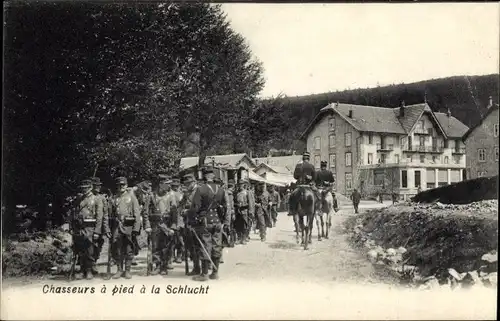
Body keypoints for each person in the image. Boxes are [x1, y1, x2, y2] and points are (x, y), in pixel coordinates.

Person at [189, 167, 228, 281]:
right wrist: (223, 220)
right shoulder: (221, 190)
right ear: (213, 176)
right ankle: (215, 273)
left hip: (205, 222)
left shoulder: (201, 189)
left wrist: (192, 220)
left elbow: (195, 207)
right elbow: (225, 206)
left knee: (205, 245)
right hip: (217, 221)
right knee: (217, 245)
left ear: (205, 177)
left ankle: (204, 274)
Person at [109, 177, 141, 279]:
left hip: (129, 227)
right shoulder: (114, 198)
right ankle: (119, 269)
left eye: (123, 185)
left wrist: (136, 228)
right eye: (119, 185)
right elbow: (111, 214)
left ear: (126, 186)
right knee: (117, 248)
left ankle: (127, 270)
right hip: (117, 227)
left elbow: (136, 213)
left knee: (128, 249)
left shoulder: (132, 197)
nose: (121, 187)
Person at [72, 179, 104, 280]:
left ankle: (89, 270)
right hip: (80, 228)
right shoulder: (79, 199)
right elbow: (75, 213)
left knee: (89, 250)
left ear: (90, 188)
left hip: (91, 228)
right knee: (81, 250)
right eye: (83, 188)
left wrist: (97, 231)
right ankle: (82, 270)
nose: (84, 190)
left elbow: (99, 217)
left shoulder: (96, 199)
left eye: (86, 188)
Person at [90, 177, 111, 275]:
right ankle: (87, 265)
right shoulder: (86, 197)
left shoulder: (102, 198)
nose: (98, 187)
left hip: (100, 225)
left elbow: (106, 214)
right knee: (87, 245)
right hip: (88, 225)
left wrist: (106, 229)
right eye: (96, 185)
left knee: (98, 244)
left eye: (99, 185)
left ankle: (94, 261)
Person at [182, 173, 201, 276]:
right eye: (186, 183)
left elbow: (198, 207)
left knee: (199, 246)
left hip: (198, 222)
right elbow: (181, 204)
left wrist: (187, 211)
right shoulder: (187, 193)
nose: (187, 185)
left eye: (189, 183)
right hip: (188, 222)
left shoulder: (199, 191)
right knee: (191, 246)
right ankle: (196, 267)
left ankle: (204, 268)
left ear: (194, 182)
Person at [289, 152, 317, 216]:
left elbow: (295, 176)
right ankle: (318, 209)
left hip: (299, 186)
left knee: (291, 196)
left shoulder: (298, 165)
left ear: (303, 158)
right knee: (318, 195)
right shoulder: (311, 166)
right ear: (309, 158)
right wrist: (310, 178)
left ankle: (291, 210)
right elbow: (315, 177)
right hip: (309, 186)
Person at [234, 180, 250, 244]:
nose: (240, 186)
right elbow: (234, 201)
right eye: (239, 184)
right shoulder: (237, 193)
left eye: (241, 184)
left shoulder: (247, 192)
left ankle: (244, 238)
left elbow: (250, 203)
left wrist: (249, 211)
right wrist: (236, 205)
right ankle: (239, 238)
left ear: (244, 185)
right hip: (238, 211)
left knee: (244, 225)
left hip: (245, 211)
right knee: (238, 225)